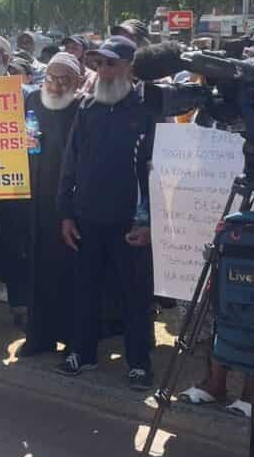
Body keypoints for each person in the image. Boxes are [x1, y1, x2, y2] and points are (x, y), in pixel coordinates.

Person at [58, 36, 156, 389]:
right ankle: (81, 354)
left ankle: (140, 363)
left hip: (131, 222)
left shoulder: (148, 108)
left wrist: (147, 222)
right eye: (99, 64)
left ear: (130, 66)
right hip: (86, 218)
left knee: (135, 295)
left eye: (112, 63)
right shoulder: (87, 108)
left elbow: (156, 172)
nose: (104, 70)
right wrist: (66, 214)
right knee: (84, 289)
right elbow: (70, 163)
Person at [19, 52, 83, 357]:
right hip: (36, 199)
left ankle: (72, 339)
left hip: (70, 204)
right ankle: (39, 337)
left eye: (64, 80)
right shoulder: (31, 102)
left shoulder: (84, 108)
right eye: (51, 78)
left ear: (77, 82)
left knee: (70, 274)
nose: (56, 86)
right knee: (38, 271)